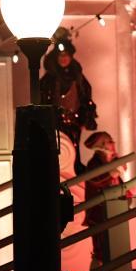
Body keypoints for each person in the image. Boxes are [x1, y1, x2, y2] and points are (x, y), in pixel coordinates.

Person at [39, 28, 97, 175]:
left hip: (75, 122)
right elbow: (43, 100)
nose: (63, 58)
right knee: (58, 150)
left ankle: (75, 169)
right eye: (60, 55)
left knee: (74, 148)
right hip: (55, 123)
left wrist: (85, 117)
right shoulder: (49, 80)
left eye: (66, 55)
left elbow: (85, 96)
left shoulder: (77, 76)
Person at [82, 131, 126, 271]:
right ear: (101, 145)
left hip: (115, 211)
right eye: (109, 141)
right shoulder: (94, 163)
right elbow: (96, 180)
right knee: (100, 253)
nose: (113, 143)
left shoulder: (112, 162)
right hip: (99, 214)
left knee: (114, 251)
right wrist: (111, 174)